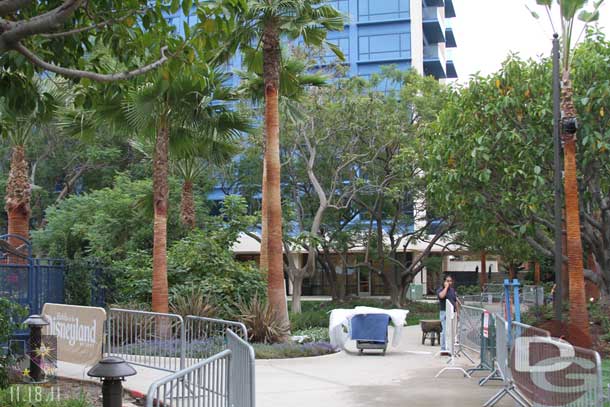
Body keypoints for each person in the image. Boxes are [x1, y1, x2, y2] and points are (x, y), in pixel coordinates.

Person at [437, 275, 457, 355]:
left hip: (453, 312)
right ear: (444, 281)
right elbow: (441, 296)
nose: (449, 283)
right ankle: (443, 348)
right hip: (444, 312)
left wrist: (457, 312)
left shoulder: (452, 290)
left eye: (450, 281)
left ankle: (450, 348)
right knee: (445, 331)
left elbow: (455, 301)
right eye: (448, 281)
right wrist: (446, 287)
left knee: (452, 331)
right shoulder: (440, 289)